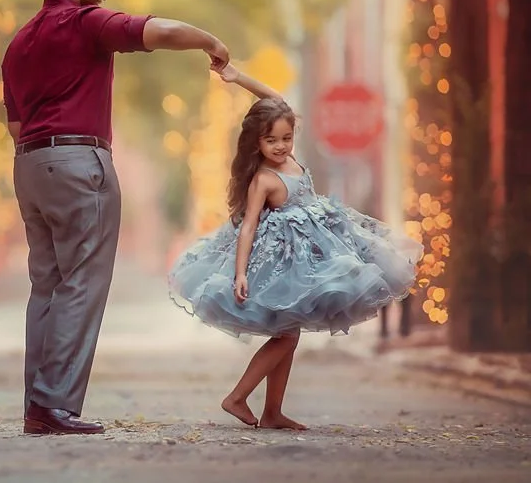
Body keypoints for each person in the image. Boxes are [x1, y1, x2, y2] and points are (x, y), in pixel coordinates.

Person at [1, 0, 230, 435]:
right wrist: (210, 42)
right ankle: (54, 404)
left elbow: (16, 127)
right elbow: (160, 31)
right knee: (82, 282)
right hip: (79, 162)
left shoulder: (18, 44)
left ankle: (37, 407)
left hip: (30, 165)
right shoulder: (86, 23)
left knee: (46, 286)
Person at [168, 63, 421, 430]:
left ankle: (272, 412)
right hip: (284, 262)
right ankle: (237, 397)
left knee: (289, 333)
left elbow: (276, 101)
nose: (280, 145)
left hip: (312, 253)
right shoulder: (264, 179)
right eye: (271, 140)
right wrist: (240, 274)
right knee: (286, 336)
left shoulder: (289, 156)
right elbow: (248, 227)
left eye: (286, 138)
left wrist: (238, 78)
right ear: (256, 141)